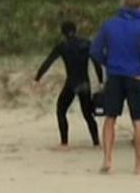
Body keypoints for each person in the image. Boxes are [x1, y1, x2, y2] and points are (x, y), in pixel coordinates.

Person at [90, 0, 140, 174]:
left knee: (110, 118)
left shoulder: (110, 25)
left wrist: (108, 63)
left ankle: (107, 159)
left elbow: (94, 51)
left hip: (115, 75)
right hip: (135, 75)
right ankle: (138, 165)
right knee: (138, 120)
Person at [34, 21, 103, 149]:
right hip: (84, 83)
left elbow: (48, 62)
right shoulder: (87, 43)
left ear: (63, 33)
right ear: (76, 30)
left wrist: (37, 78)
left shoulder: (62, 46)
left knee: (61, 110)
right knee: (87, 114)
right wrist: (100, 80)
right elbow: (96, 63)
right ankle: (96, 142)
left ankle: (64, 142)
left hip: (72, 83)